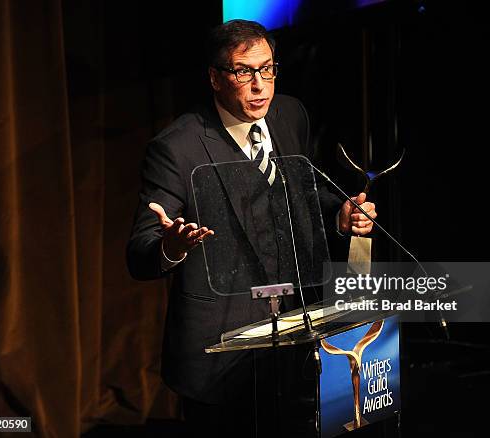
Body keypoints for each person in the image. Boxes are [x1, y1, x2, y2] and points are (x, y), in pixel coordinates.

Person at [126, 19, 377, 436]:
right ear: (215, 77)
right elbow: (141, 251)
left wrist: (340, 215)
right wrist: (172, 245)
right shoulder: (177, 148)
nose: (260, 85)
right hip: (222, 350)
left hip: (299, 332)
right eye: (244, 72)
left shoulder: (290, 115)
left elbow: (306, 188)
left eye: (267, 68)